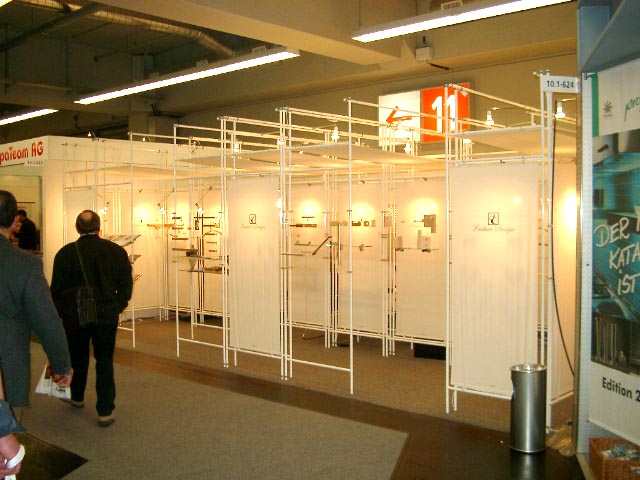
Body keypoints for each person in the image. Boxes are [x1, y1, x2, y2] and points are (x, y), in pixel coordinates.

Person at [51, 210, 133, 428]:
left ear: (77, 228)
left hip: (77, 314)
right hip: (106, 313)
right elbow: (126, 284)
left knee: (77, 356)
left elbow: (56, 290)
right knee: (104, 360)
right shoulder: (116, 251)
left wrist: (64, 314)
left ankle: (76, 396)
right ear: (99, 228)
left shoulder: (65, 254)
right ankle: (105, 410)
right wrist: (118, 306)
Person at [0, 190, 73, 420]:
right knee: (6, 432)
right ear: (15, 220)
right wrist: (61, 365)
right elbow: (47, 321)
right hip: (6, 368)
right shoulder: (25, 265)